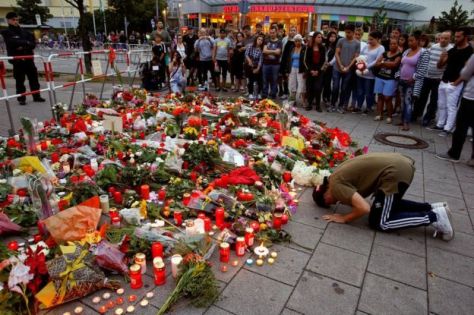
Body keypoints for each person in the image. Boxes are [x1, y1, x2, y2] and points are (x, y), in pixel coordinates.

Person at [313, 153, 454, 240]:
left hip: (395, 174)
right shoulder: (334, 176)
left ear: (326, 196)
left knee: (380, 222)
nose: (336, 203)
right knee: (386, 206)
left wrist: (344, 218)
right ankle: (435, 207)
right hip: (397, 165)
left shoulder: (335, 187)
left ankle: (434, 217)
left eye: (329, 203)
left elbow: (364, 208)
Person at [430, 28, 473, 137]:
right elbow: (440, 65)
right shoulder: (453, 49)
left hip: (455, 82)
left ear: (465, 37)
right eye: (455, 36)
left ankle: (448, 128)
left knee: (451, 106)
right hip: (444, 80)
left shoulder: (469, 51)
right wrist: (441, 59)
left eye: (458, 37)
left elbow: (468, 70)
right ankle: (440, 124)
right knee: (441, 104)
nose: (456, 38)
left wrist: (457, 82)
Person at [436, 54, 474, 166]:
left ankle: (454, 154)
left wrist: (467, 65)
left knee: (461, 126)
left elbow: (465, 74)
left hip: (471, 97)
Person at [1, 12, 46, 105]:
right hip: (18, 60)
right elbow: (12, 43)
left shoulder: (25, 31)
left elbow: (32, 44)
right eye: (13, 20)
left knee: (34, 79)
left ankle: (36, 96)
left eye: (17, 19)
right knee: (20, 80)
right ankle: (21, 98)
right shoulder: (6, 32)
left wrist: (23, 44)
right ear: (8, 20)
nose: (16, 21)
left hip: (29, 59)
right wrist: (26, 43)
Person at [413, 31, 453, 126]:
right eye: (441, 38)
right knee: (421, 96)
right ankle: (416, 114)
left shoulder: (451, 50)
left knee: (434, 99)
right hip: (427, 76)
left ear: (450, 39)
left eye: (446, 38)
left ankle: (428, 117)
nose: (443, 40)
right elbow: (427, 60)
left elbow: (446, 66)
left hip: (438, 78)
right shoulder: (434, 47)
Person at [331, 24, 360, 113]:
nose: (347, 34)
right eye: (346, 32)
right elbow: (336, 53)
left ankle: (340, 106)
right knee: (335, 87)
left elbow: (356, 57)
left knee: (344, 88)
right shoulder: (340, 40)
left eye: (349, 32)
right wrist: (340, 65)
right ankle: (332, 105)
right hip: (337, 68)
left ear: (353, 32)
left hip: (348, 69)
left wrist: (348, 67)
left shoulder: (357, 43)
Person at [373, 38, 402, 123]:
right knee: (380, 96)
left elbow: (394, 64)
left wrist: (382, 63)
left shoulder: (399, 55)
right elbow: (376, 63)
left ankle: (389, 116)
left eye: (394, 44)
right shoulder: (385, 53)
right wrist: (384, 63)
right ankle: (379, 115)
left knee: (388, 97)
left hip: (391, 79)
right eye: (391, 44)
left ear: (397, 45)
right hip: (380, 77)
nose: (392, 45)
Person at [355, 31, 385, 113]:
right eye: (368, 39)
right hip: (361, 72)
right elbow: (360, 57)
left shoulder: (381, 48)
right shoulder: (366, 46)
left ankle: (368, 107)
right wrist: (360, 66)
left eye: (371, 39)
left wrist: (366, 67)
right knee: (360, 91)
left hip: (370, 75)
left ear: (377, 39)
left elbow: (377, 61)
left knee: (369, 92)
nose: (369, 41)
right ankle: (359, 106)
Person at [397, 33, 422, 131]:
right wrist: (398, 75)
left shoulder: (423, 52)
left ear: (418, 40)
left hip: (411, 82)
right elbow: (401, 65)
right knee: (403, 101)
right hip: (402, 80)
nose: (410, 43)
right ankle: (402, 120)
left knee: (408, 102)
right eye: (409, 41)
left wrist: (414, 78)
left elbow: (422, 69)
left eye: (412, 40)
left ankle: (407, 122)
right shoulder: (407, 51)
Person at [303, 32, 325, 111]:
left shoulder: (323, 48)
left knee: (318, 88)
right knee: (310, 88)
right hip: (310, 70)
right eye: (318, 37)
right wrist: (311, 70)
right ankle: (309, 104)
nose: (320, 39)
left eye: (321, 37)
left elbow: (324, 60)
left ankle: (318, 105)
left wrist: (318, 71)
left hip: (319, 71)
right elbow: (305, 60)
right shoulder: (308, 47)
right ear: (314, 38)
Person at [284, 34, 306, 107]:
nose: (297, 42)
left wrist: (305, 71)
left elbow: (306, 60)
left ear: (301, 41)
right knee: (292, 85)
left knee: (302, 85)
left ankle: (303, 102)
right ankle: (292, 101)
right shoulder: (292, 49)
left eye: (299, 41)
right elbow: (288, 60)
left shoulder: (304, 49)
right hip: (292, 68)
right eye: (296, 41)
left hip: (301, 69)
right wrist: (287, 71)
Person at [262, 27, 283, 99]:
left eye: (273, 32)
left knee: (274, 80)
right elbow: (264, 51)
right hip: (266, 63)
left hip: (275, 64)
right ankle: (265, 94)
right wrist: (274, 51)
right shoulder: (266, 41)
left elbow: (278, 52)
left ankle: (273, 94)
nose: (272, 34)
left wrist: (269, 51)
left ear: (276, 32)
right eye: (270, 33)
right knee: (265, 79)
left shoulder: (279, 42)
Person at [279, 26, 297, 100]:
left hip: (293, 62)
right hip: (284, 60)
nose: (292, 32)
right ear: (288, 31)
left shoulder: (298, 40)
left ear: (296, 31)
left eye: (294, 30)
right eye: (291, 30)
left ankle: (292, 96)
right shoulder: (284, 39)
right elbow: (282, 50)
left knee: (292, 79)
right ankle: (285, 92)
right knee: (284, 78)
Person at [245, 35, 264, 100]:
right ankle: (250, 93)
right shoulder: (250, 46)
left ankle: (258, 94)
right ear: (256, 39)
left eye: (261, 40)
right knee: (251, 80)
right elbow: (246, 54)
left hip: (257, 65)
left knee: (259, 80)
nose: (260, 41)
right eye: (259, 39)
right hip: (250, 64)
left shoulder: (261, 49)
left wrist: (258, 68)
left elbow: (261, 60)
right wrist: (250, 61)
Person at [322, 31, 337, 106]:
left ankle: (327, 98)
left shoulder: (336, 46)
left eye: (334, 37)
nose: (332, 38)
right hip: (323, 66)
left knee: (328, 83)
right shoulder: (325, 45)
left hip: (331, 67)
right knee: (322, 82)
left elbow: (336, 57)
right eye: (331, 36)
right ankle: (322, 97)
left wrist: (329, 64)